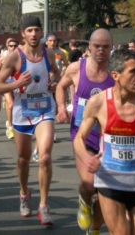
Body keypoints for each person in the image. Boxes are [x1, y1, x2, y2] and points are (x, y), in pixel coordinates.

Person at [73, 48, 135, 235]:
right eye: (133, 72)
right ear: (116, 75)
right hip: (111, 180)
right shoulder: (98, 102)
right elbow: (79, 138)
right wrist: (87, 159)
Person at [0, 15, 61, 225]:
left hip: (45, 111)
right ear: (23, 34)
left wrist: (54, 83)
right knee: (23, 159)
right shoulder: (14, 57)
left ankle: (43, 205)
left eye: (36, 30)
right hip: (22, 112)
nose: (33, 34)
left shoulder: (49, 54)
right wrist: (16, 84)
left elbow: (58, 76)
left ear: (42, 33)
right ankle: (24, 194)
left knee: (44, 157)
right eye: (29, 30)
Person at [56, 28, 114, 234]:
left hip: (109, 138)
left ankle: (95, 229)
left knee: (106, 190)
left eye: (105, 47)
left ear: (111, 48)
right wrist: (62, 108)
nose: (101, 50)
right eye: (97, 46)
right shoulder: (75, 68)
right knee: (90, 185)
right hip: (83, 134)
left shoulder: (116, 72)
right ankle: (84, 200)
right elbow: (60, 86)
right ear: (89, 47)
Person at [0, 38, 19, 139]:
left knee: (16, 105)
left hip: (16, 83)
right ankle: (10, 127)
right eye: (11, 46)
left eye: (15, 46)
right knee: (11, 104)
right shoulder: (3, 56)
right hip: (6, 83)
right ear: (7, 47)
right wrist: (0, 64)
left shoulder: (20, 56)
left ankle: (15, 124)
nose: (13, 47)